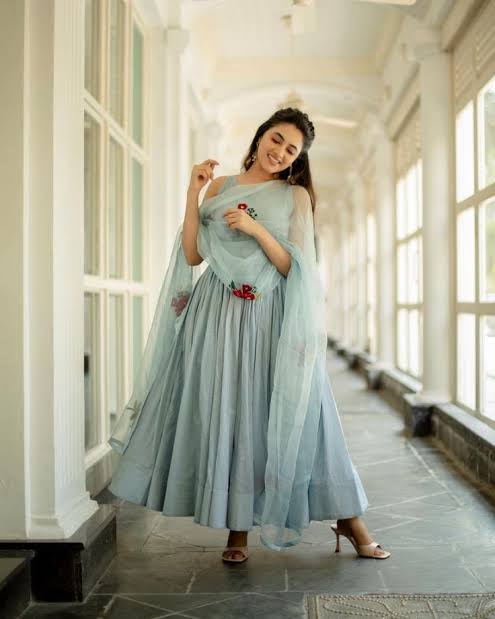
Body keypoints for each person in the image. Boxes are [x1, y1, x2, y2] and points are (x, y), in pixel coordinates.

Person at [107, 107, 391, 563]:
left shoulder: (295, 197)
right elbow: (194, 255)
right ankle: (236, 529)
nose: (280, 152)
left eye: (291, 150)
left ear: (297, 159)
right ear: (261, 136)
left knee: (307, 408)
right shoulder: (220, 187)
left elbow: (295, 268)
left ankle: (348, 517)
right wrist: (193, 193)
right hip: (215, 316)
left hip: (272, 317)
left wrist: (256, 229)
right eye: (276, 139)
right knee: (232, 411)